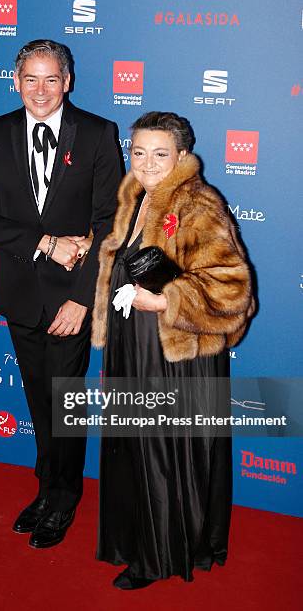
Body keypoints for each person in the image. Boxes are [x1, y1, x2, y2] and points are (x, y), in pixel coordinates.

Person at [0, 40, 122, 549]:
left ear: (67, 81)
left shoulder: (99, 134)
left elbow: (109, 225)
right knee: (39, 398)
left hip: (70, 299)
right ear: (16, 82)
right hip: (18, 293)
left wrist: (81, 299)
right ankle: (46, 488)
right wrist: (47, 243)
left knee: (66, 400)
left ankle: (63, 499)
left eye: (51, 78)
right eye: (30, 79)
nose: (40, 90)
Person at [91, 111, 255, 589]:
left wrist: (164, 301)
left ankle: (159, 555)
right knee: (134, 449)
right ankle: (134, 540)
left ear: (182, 155)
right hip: (133, 345)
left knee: (162, 454)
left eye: (160, 153)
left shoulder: (198, 203)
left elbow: (232, 289)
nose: (146, 162)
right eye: (138, 151)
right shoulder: (134, 196)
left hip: (176, 356)